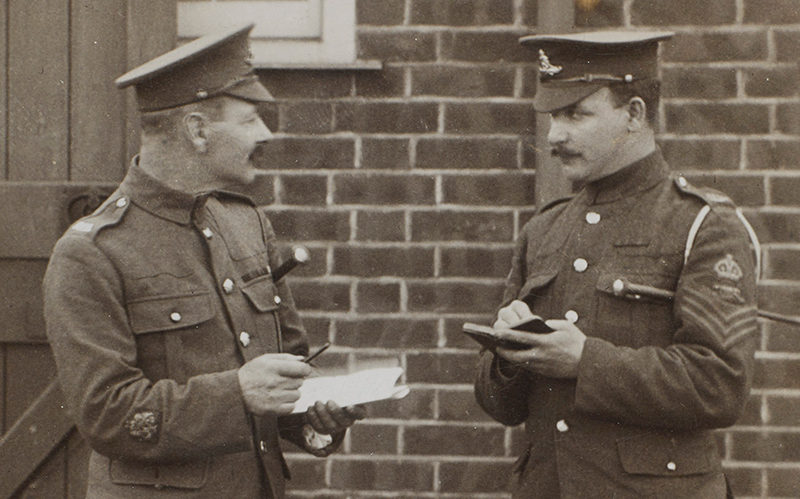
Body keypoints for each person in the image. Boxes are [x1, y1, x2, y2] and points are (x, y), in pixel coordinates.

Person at [43, 24, 364, 498]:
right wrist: (238, 394)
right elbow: (105, 414)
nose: (266, 134)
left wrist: (317, 415)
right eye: (250, 119)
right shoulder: (92, 253)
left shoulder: (247, 225)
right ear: (197, 130)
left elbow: (288, 364)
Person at [474, 31, 759, 498]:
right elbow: (500, 406)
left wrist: (585, 361)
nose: (554, 136)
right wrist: (507, 356)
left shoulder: (703, 225)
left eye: (575, 114)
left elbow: (720, 384)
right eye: (552, 117)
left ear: (634, 114)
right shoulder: (545, 231)